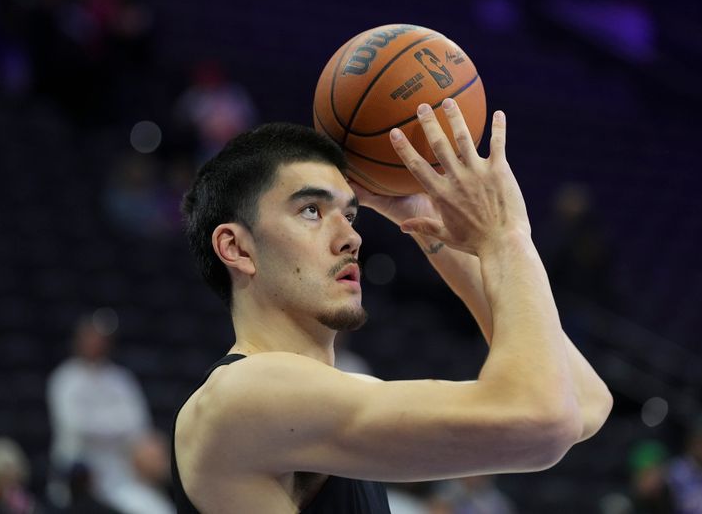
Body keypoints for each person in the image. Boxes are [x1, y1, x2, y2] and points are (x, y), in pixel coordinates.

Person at [173, 100, 613, 513]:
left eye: (350, 215)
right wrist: (504, 237)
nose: (351, 237)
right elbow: (544, 420)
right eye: (310, 210)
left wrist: (423, 221)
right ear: (236, 248)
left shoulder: (328, 397)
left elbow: (583, 402)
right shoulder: (242, 394)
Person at [47, 315, 151, 509]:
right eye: (91, 336)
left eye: (101, 338)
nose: (96, 343)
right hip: (78, 471)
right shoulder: (65, 378)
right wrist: (115, 423)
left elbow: (137, 425)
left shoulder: (121, 379)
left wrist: (97, 421)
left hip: (119, 472)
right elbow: (75, 425)